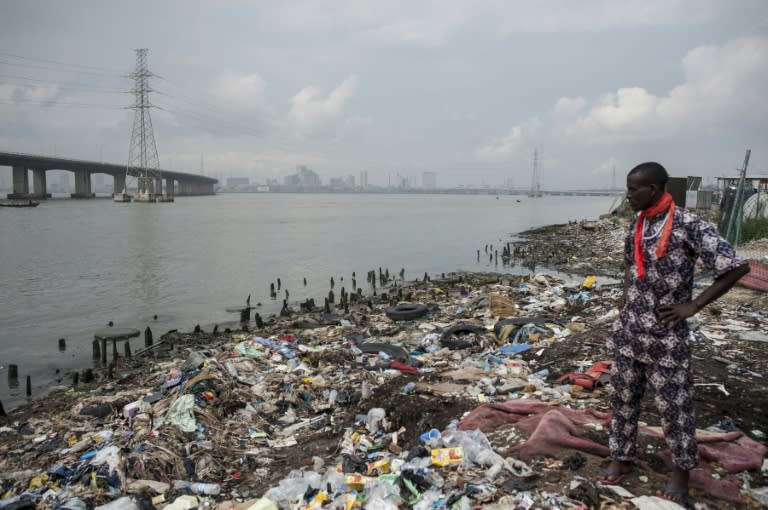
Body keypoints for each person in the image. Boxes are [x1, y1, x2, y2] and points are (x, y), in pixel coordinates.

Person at [602, 162, 750, 506]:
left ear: (654, 189)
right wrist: (626, 296)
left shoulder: (689, 224)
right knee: (622, 398)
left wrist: (694, 305)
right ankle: (621, 455)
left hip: (666, 336)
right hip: (629, 332)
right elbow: (631, 263)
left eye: (634, 188)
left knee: (675, 406)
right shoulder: (638, 223)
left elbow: (736, 266)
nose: (628, 194)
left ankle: (681, 470)